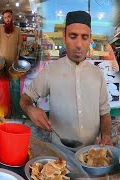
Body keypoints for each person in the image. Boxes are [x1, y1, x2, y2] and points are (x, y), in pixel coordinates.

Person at [19, 11, 112, 146]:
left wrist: (106, 135)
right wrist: (30, 109)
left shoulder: (97, 74)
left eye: (84, 37)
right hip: (59, 154)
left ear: (90, 39)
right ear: (64, 37)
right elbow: (25, 99)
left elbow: (105, 113)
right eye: (73, 36)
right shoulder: (50, 71)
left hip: (92, 153)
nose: (79, 44)